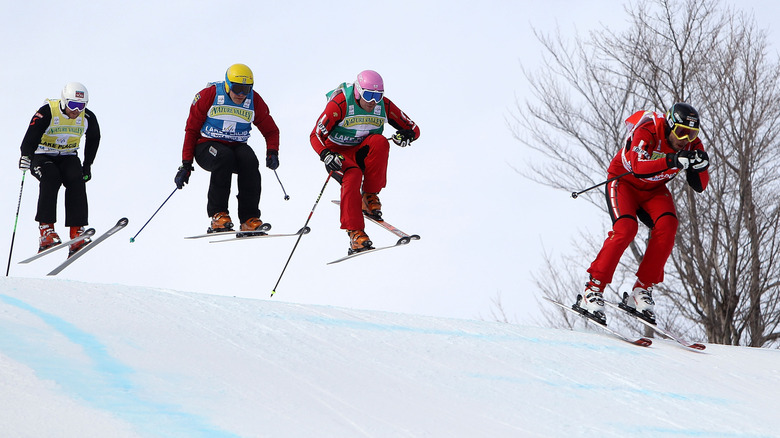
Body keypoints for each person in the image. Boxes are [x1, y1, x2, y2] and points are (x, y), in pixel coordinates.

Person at [576, 102, 710, 325]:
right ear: (669, 125)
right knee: (626, 229)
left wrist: (700, 166)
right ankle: (593, 289)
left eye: (692, 134)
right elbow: (638, 167)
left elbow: (700, 186)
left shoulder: (692, 144)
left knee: (668, 225)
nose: (685, 139)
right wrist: (673, 160)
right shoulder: (647, 129)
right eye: (681, 132)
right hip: (624, 183)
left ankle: (642, 289)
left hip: (654, 190)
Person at [310, 69, 420, 254]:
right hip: (338, 153)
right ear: (358, 91)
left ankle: (369, 197)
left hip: (361, 150)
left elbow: (413, 128)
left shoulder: (382, 105)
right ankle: (355, 233)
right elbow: (315, 134)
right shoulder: (341, 103)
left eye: (378, 96)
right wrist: (326, 155)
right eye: (368, 95)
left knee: (380, 142)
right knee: (353, 174)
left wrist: (407, 135)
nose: (373, 101)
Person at [174, 63, 280, 234]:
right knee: (224, 156)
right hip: (206, 146)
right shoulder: (210, 95)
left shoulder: (254, 100)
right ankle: (218, 215)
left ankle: (249, 219)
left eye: (246, 89)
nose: (241, 94)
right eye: (237, 88)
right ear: (227, 84)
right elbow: (191, 130)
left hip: (236, 147)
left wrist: (272, 152)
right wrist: (186, 165)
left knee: (249, 159)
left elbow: (271, 130)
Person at [18, 82, 101, 256]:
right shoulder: (48, 111)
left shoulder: (87, 117)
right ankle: (46, 231)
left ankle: (77, 232)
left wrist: (87, 166)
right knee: (51, 177)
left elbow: (94, 138)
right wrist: (25, 156)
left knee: (76, 178)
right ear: (64, 101)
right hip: (42, 155)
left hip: (67, 156)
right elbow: (30, 136)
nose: (76, 110)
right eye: (73, 105)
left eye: (81, 106)